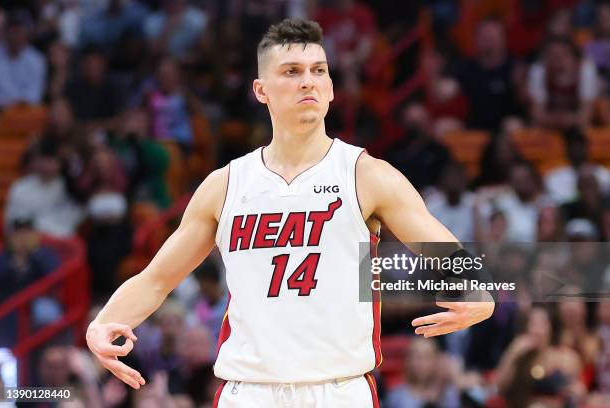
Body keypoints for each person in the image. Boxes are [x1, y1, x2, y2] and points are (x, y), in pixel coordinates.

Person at [86, 19, 494, 406]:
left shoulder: (367, 175)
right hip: (249, 391)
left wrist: (484, 293)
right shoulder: (225, 185)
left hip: (338, 390)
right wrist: (102, 323)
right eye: (292, 71)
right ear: (261, 90)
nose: (308, 81)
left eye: (319, 70)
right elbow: (157, 279)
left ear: (332, 87)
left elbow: (450, 254)